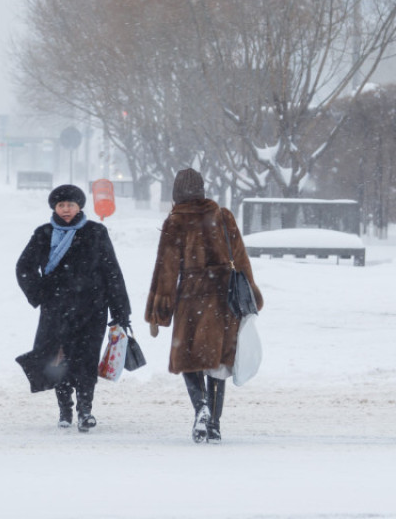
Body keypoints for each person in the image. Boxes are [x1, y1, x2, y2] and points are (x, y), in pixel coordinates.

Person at [146, 168, 263, 443]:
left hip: (192, 297)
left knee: (189, 359)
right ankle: (215, 425)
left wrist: (158, 313)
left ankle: (201, 409)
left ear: (176, 193)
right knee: (217, 362)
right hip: (224, 301)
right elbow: (241, 260)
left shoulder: (175, 221)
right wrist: (252, 297)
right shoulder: (223, 216)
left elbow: (166, 270)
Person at [16, 184, 133, 432]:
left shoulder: (96, 232)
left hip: (93, 310)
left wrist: (120, 310)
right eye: (61, 205)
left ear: (80, 206)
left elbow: (112, 272)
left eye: (70, 204)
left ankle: (85, 409)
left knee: (87, 359)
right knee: (60, 360)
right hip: (56, 310)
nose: (66, 210)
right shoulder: (44, 234)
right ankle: (65, 408)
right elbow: (23, 268)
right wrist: (40, 293)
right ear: (54, 208)